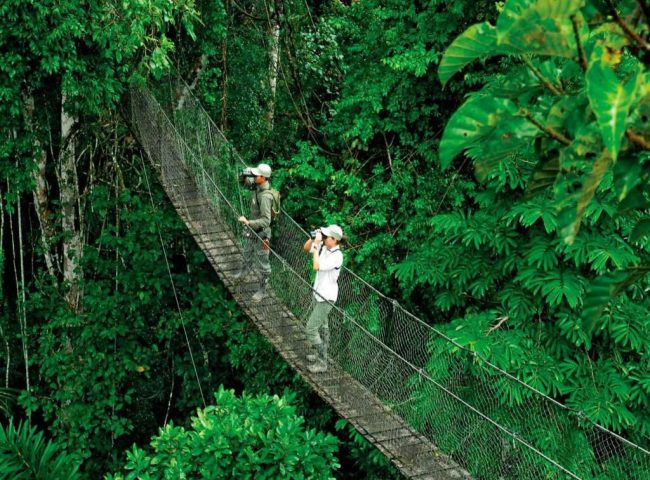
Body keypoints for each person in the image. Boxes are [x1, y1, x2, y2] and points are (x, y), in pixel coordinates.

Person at [302, 224, 344, 373]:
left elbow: (316, 266)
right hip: (317, 292)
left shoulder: (337, 256)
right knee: (323, 327)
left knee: (310, 329)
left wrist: (319, 244)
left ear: (334, 240)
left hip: (326, 298)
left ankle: (322, 361)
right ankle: (319, 355)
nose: (325, 238)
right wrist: (314, 238)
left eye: (327, 237)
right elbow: (307, 248)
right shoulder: (325, 247)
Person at [235, 163, 274, 303]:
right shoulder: (257, 186)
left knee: (263, 263)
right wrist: (244, 173)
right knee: (247, 252)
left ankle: (262, 290)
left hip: (263, 234)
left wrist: (248, 222)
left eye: (256, 175)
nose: (254, 176)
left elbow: (266, 221)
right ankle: (244, 273)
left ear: (263, 178)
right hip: (253, 230)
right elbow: (243, 183)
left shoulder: (265, 197)